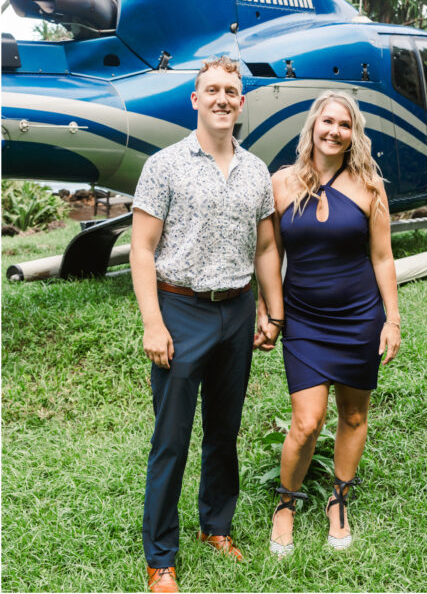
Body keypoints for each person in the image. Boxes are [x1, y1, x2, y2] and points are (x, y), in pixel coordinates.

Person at [130, 56, 284, 593]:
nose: (223, 98)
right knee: (171, 439)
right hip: (181, 309)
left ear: (242, 103)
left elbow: (266, 247)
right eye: (212, 89)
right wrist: (153, 322)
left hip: (238, 311)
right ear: (194, 100)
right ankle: (161, 558)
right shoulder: (165, 165)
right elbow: (142, 249)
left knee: (224, 431)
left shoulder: (257, 171)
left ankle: (215, 527)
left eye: (232, 91)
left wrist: (272, 311)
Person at [259, 90, 400, 557]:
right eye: (328, 122)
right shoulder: (280, 183)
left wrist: (392, 320)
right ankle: (286, 502)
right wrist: (270, 310)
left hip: (360, 317)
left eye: (345, 124)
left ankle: (337, 500)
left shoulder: (370, 186)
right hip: (304, 319)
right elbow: (268, 254)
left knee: (355, 415)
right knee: (307, 420)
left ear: (352, 133)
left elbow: (382, 258)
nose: (335, 131)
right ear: (313, 127)